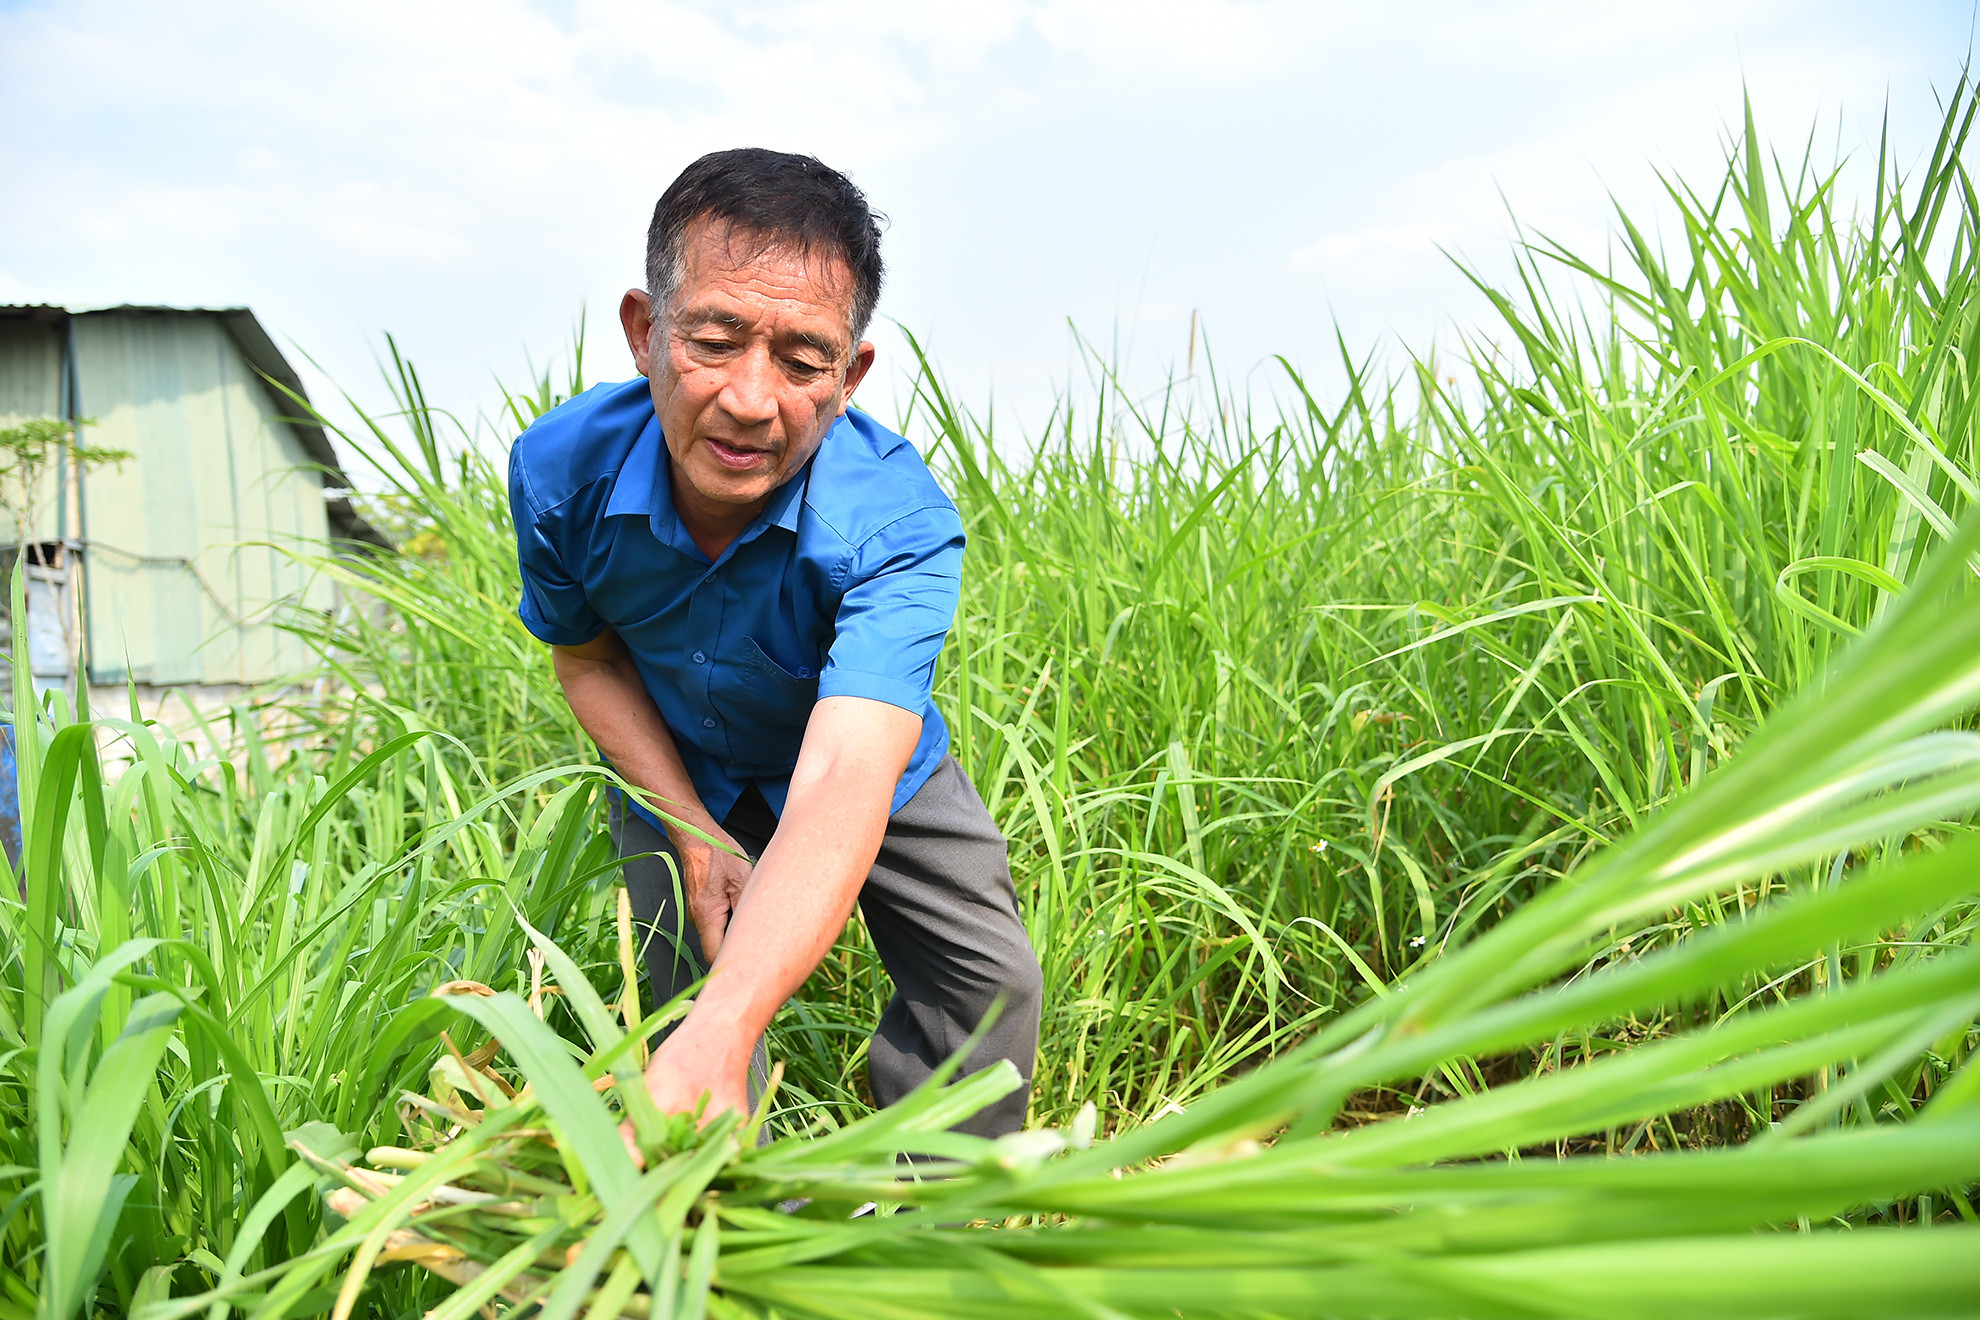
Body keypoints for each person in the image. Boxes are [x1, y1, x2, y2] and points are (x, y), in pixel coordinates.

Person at [507, 148, 1042, 1138]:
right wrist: (691, 830)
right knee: (680, 997)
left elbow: (847, 770)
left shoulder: (898, 524)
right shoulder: (558, 474)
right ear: (643, 330)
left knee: (986, 980)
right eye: (713, 340)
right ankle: (716, 1228)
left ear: (850, 377)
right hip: (679, 755)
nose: (752, 401)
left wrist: (737, 1013)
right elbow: (585, 659)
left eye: (801, 361)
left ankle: (941, 1230)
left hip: (870, 760)